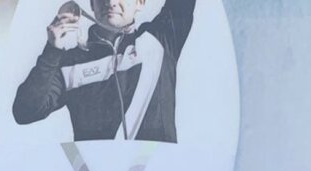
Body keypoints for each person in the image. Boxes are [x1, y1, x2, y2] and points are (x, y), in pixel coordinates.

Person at [12, 0, 195, 142]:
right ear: (91, 4)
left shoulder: (160, 39)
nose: (111, 1)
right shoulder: (71, 62)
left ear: (140, 2)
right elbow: (25, 111)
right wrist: (52, 50)